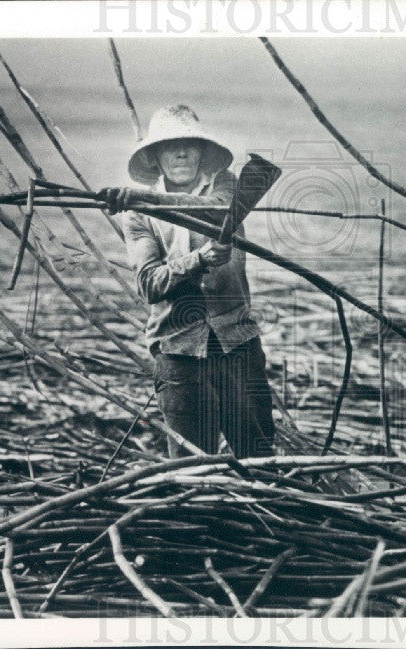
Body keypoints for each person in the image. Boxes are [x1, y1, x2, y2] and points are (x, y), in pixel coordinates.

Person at [103, 104, 276, 459]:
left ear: (202, 151)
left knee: (258, 457)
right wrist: (196, 261)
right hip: (177, 347)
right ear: (154, 156)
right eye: (169, 145)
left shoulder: (226, 186)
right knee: (191, 466)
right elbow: (149, 283)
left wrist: (147, 197)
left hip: (236, 340)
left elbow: (214, 210)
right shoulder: (136, 214)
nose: (181, 152)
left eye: (189, 144)